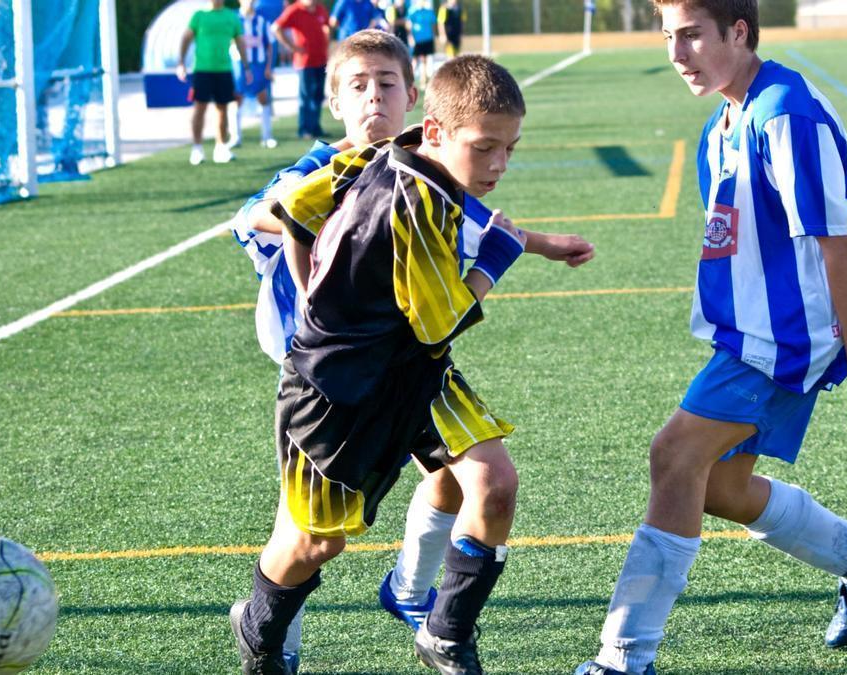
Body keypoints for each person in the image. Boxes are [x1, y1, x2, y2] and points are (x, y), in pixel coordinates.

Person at [231, 32, 594, 674]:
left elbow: (300, 209)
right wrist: (499, 263)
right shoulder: (413, 200)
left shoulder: (389, 155)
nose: (498, 164)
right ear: (439, 129)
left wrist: (535, 241)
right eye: (485, 148)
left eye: (509, 149)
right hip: (335, 388)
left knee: (492, 482)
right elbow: (439, 321)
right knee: (317, 543)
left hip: (414, 374)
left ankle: (445, 632)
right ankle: (261, 625)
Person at [574, 1, 847, 673]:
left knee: (673, 455)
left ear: (738, 31)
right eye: (669, 36)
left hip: (788, 335)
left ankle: (623, 658)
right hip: (754, 332)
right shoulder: (726, 119)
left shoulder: (784, 114)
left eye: (692, 36)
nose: (677, 53)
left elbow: (838, 247)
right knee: (718, 488)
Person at [177, 0, 250, 165]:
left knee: (222, 109)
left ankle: (221, 148)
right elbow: (186, 38)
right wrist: (180, 62)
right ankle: (197, 149)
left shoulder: (231, 17)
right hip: (202, 70)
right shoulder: (199, 16)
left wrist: (246, 66)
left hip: (224, 70)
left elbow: (240, 42)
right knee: (199, 108)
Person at [273, 0, 331, 140]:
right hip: (304, 61)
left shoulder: (319, 8)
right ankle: (304, 129)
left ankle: (316, 127)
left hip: (321, 59)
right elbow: (276, 28)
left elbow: (327, 26)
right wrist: (293, 48)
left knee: (318, 96)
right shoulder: (295, 10)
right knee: (306, 96)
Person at [232, 0, 278, 149]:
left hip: (258, 64)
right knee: (236, 98)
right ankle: (235, 137)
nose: (250, 2)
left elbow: (270, 44)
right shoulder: (233, 19)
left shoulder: (262, 20)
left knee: (263, 97)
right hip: (239, 66)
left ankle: (267, 137)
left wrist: (269, 67)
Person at [406, 0, 435, 88]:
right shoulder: (413, 11)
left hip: (427, 39)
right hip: (417, 40)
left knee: (424, 61)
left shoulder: (429, 12)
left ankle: (423, 81)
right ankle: (409, 81)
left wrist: (433, 36)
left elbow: (433, 24)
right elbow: (409, 25)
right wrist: (410, 37)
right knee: (414, 61)